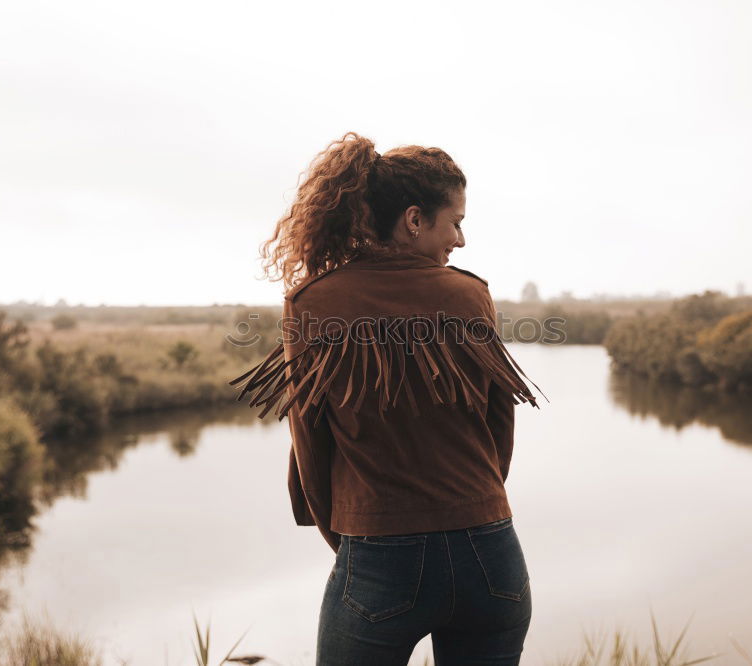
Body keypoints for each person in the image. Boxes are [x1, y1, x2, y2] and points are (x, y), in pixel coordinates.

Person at [229, 131, 547, 665]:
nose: (462, 241)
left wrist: (351, 540)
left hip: (378, 551)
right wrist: (476, 508)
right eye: (457, 222)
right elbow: (499, 427)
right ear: (415, 219)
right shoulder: (471, 295)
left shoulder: (312, 302)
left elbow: (310, 443)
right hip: (489, 550)